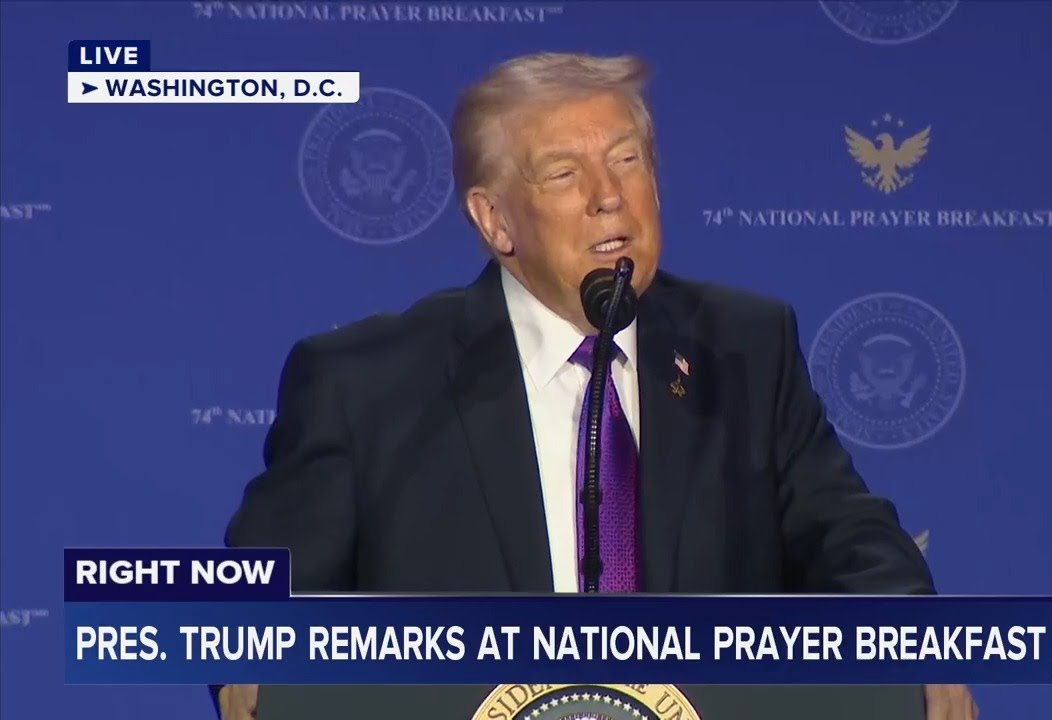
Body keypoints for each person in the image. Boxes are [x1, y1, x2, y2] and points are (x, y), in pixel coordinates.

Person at [216, 52, 977, 720]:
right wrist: (254, 653)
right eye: (563, 174)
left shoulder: (744, 347)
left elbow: (848, 535)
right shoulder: (368, 382)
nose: (608, 195)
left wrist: (913, 636)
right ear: (494, 220)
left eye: (627, 160)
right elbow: (267, 587)